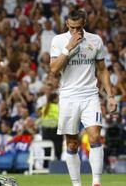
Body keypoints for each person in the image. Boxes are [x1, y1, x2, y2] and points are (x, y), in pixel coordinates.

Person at [50, 10, 117, 186]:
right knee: (72, 144)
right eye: (72, 28)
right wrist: (68, 48)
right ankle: (77, 184)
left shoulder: (95, 40)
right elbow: (54, 69)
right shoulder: (58, 41)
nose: (75, 31)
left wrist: (111, 96)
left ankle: (96, 182)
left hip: (90, 95)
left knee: (95, 137)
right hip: (68, 97)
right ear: (66, 24)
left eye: (78, 27)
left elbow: (102, 70)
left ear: (84, 24)